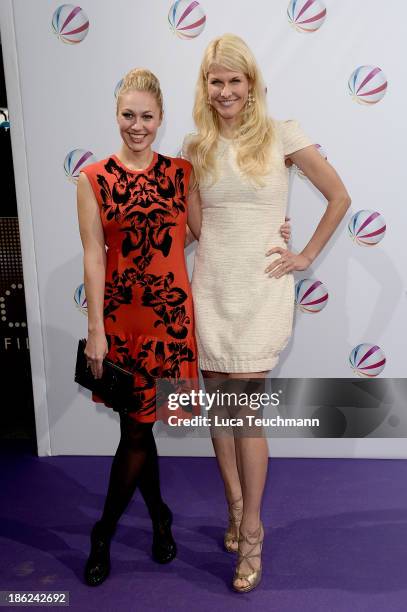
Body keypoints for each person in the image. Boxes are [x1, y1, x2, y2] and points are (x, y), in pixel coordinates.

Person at [182, 33, 351, 593]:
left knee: (244, 413)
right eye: (216, 80)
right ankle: (233, 505)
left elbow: (339, 197)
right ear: (205, 88)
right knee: (220, 409)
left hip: (261, 289)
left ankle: (252, 529)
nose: (226, 90)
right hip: (212, 288)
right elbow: (197, 226)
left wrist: (300, 254)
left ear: (251, 84)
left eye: (235, 80)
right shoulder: (195, 147)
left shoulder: (283, 135)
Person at [77, 68, 201, 586]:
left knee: (139, 428)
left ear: (161, 118)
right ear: (117, 115)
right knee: (137, 429)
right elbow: (93, 259)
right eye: (128, 115)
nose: (137, 125)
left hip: (170, 323)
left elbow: (202, 232)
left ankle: (153, 520)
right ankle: (109, 530)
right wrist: (96, 331)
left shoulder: (181, 173)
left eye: (146, 116)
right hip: (121, 326)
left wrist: (272, 227)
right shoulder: (93, 178)